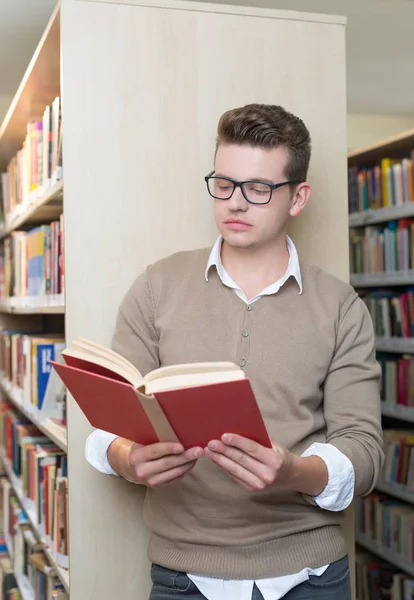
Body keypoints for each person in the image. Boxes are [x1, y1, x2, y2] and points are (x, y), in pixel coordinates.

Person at [85, 103, 384, 600]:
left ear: (298, 197)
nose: (235, 203)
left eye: (258, 188)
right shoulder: (157, 286)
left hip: (310, 574)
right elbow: (106, 423)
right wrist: (124, 457)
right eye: (223, 184)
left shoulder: (340, 306)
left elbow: (365, 451)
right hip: (182, 574)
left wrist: (295, 471)